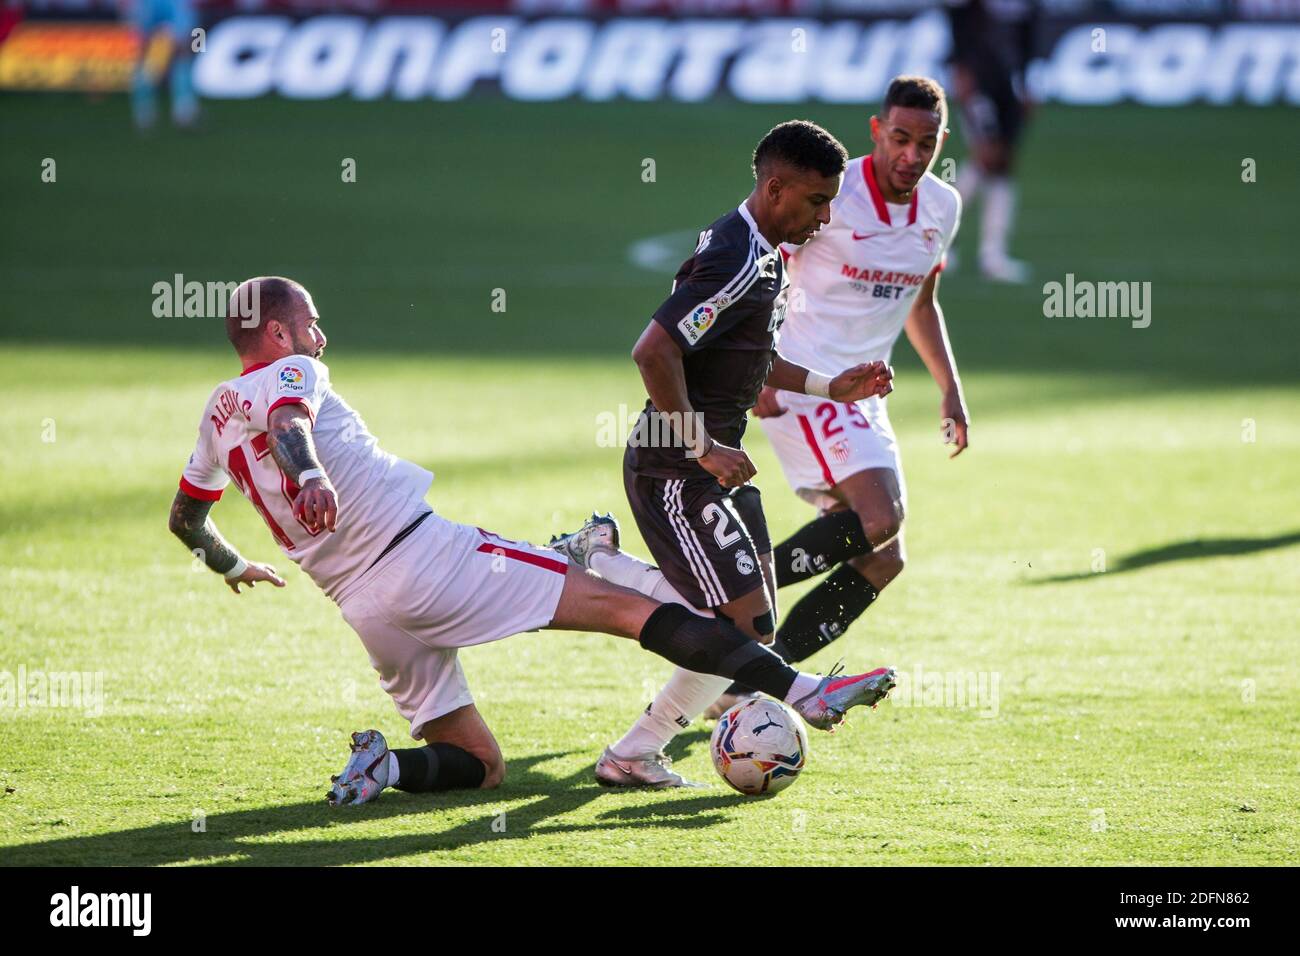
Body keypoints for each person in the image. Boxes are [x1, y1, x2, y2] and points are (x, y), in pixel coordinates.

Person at [167, 277, 897, 806]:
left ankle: (385, 769)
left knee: (479, 765)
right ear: (278, 335)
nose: (320, 336)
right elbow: (293, 422)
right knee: (626, 610)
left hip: (366, 610)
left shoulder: (212, 416)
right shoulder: (295, 370)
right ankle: (797, 686)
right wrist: (312, 476)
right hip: (427, 559)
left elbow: (186, 519)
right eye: (311, 322)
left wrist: (231, 563)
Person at [551, 120, 898, 789]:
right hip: (674, 469)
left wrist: (832, 386)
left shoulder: (761, 253)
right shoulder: (740, 257)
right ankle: (599, 565)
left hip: (705, 464)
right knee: (731, 621)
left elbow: (748, 357)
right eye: (817, 201)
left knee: (749, 625)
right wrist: (702, 446)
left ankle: (631, 746)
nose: (825, 218)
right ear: (776, 189)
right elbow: (654, 350)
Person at [946, 0, 1039, 282]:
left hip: (1007, 83)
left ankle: (992, 255)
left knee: (1003, 163)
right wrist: (961, 71)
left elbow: (1028, 35)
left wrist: (1025, 82)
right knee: (986, 156)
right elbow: (958, 22)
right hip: (979, 81)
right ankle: (939, 243)